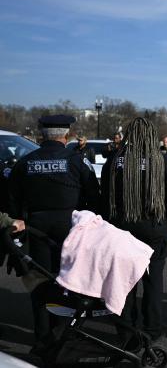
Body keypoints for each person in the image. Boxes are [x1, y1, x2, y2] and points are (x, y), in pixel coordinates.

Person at [8, 115, 100, 353]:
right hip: (70, 228)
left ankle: (42, 337)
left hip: (35, 228)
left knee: (40, 283)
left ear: (41, 135)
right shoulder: (77, 160)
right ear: (66, 135)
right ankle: (64, 334)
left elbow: (12, 201)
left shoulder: (25, 162)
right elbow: (94, 196)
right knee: (68, 282)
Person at [100, 117, 167, 343]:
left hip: (121, 227)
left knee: (124, 283)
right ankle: (152, 329)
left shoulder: (114, 160)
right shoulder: (162, 160)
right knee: (153, 281)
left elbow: (103, 197)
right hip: (153, 226)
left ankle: (126, 329)